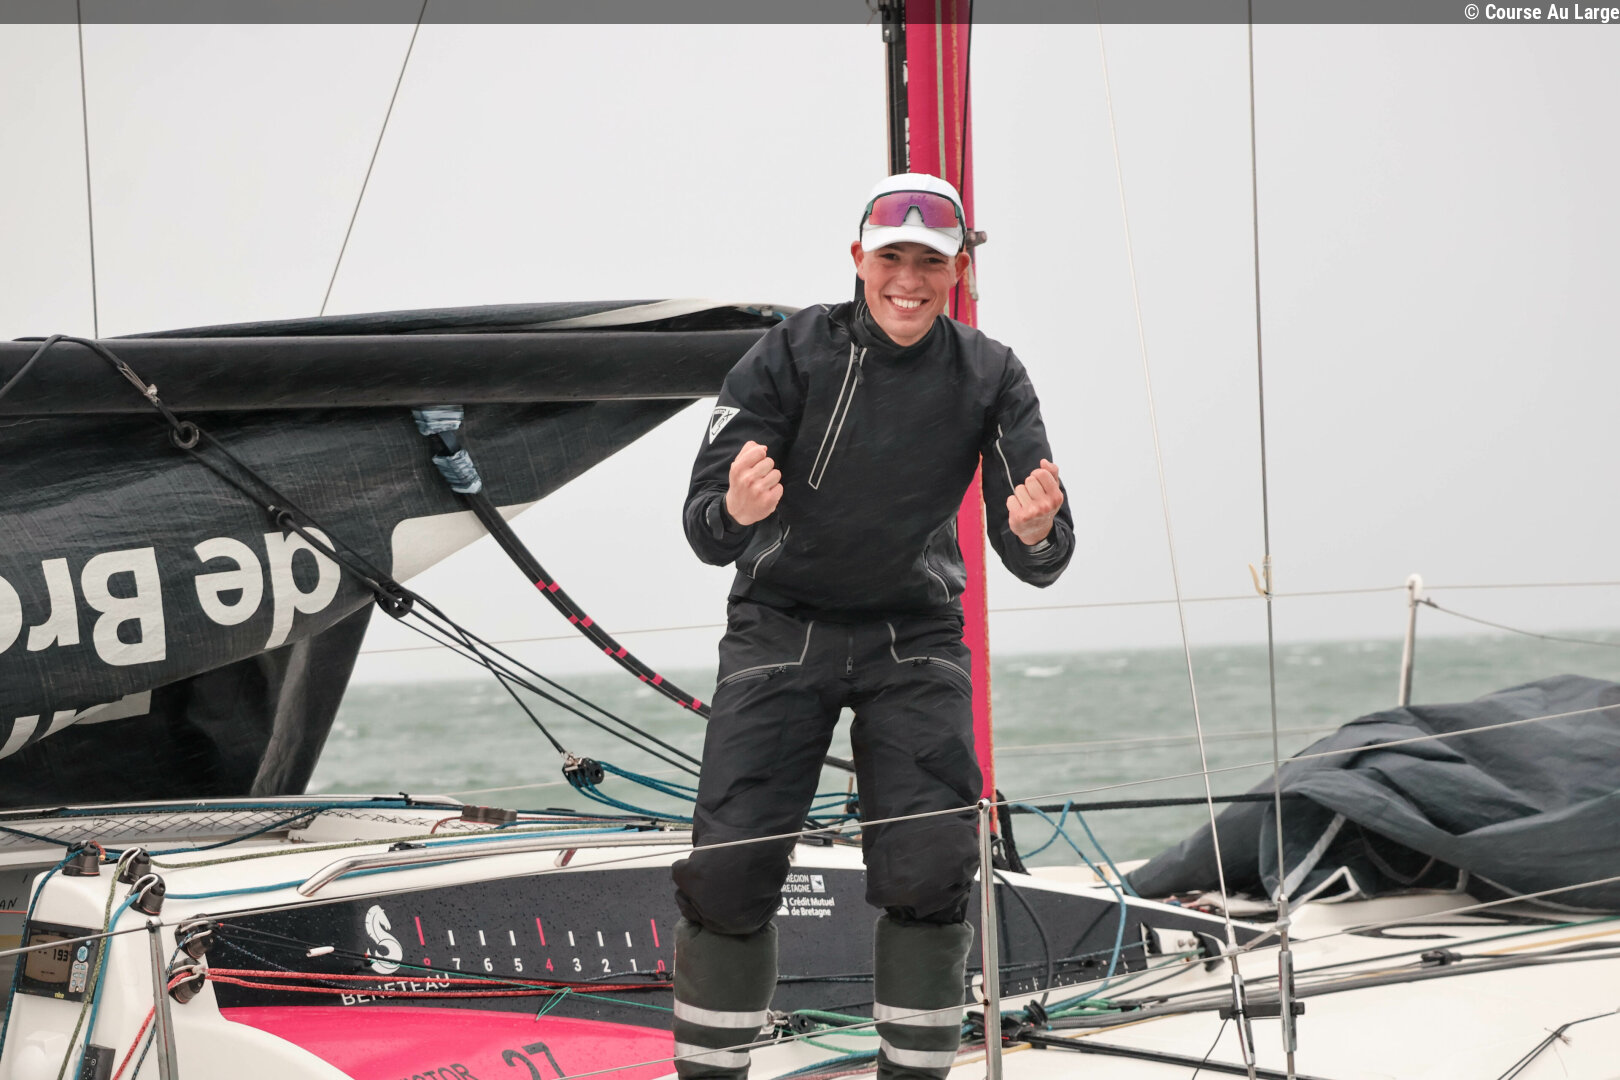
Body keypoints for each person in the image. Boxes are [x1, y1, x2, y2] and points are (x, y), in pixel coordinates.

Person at [671, 172, 1074, 1080]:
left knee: (931, 870)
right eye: (892, 256)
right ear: (859, 259)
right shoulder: (785, 355)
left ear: (958, 271)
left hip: (912, 635)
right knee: (729, 874)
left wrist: (1035, 531)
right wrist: (735, 510)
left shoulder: (992, 373)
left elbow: (1042, 553)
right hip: (782, 627)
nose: (909, 280)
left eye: (930, 262)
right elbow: (703, 530)